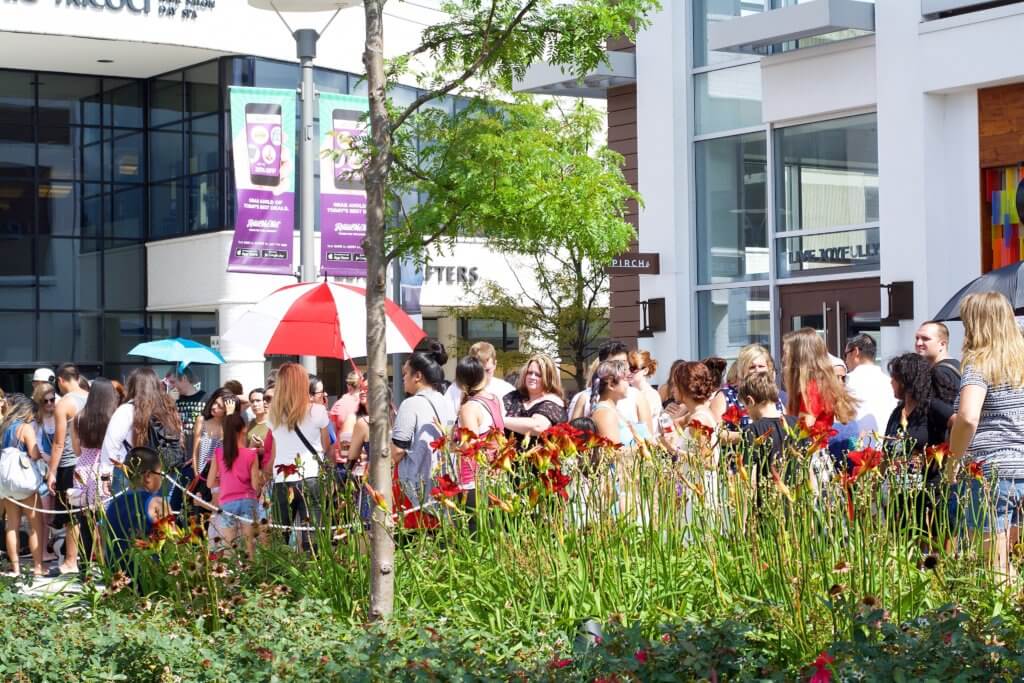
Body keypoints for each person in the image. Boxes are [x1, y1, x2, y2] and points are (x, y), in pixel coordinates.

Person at [946, 292, 1024, 579]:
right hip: (1022, 469)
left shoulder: (980, 365)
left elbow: (968, 416)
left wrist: (952, 461)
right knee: (1014, 562)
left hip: (993, 473)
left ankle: (996, 623)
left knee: (994, 565)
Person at [884, 352, 954, 539]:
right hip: (900, 494)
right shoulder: (897, 412)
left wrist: (940, 455)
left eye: (895, 377)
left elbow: (958, 424)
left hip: (929, 492)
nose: (891, 382)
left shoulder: (932, 407)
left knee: (929, 546)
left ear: (907, 380)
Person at [267, 363, 329, 547]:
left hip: (282, 478)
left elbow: (276, 448)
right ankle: (313, 572)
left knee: (281, 536)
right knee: (312, 535)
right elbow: (325, 445)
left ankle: (281, 574)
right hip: (310, 475)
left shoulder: (274, 414)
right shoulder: (317, 410)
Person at [392, 351, 455, 512]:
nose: (403, 378)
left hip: (414, 489)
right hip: (442, 483)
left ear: (418, 376)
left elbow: (398, 450)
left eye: (405, 373)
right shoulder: (445, 401)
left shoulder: (410, 404)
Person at [100, 368, 183, 491]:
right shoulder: (169, 408)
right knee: (159, 509)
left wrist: (105, 476)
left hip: (135, 473)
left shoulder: (127, 410)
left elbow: (110, 446)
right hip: (166, 472)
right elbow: (179, 437)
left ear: (132, 386)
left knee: (131, 508)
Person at [70, 377, 120, 573]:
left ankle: (84, 568)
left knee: (85, 520)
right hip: (106, 468)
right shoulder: (114, 417)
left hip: (83, 468)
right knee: (107, 520)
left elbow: (76, 449)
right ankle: (108, 566)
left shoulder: (79, 417)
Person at [101, 446, 169, 579]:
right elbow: (170, 541)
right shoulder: (157, 503)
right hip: (149, 578)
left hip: (118, 578)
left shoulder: (113, 504)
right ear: (148, 476)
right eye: (160, 474)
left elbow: (104, 539)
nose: (163, 479)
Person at [46, 363, 89, 569]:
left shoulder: (64, 403)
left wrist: (52, 472)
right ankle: (91, 559)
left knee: (71, 515)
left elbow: (59, 442)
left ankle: (71, 560)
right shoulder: (92, 398)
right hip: (91, 462)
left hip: (69, 463)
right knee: (89, 513)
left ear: (61, 380)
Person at [208, 402, 263, 559]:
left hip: (226, 504)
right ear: (243, 429)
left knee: (229, 548)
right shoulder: (251, 454)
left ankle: (231, 581)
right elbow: (254, 485)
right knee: (249, 547)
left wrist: (225, 482)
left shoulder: (219, 453)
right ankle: (252, 579)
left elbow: (210, 483)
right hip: (247, 500)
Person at [1, 395, 45, 576]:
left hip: (5, 482)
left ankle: (16, 568)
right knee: (35, 525)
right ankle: (38, 567)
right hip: (23, 483)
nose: (33, 417)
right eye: (32, 414)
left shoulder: (3, 427)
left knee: (12, 525)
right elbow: (34, 454)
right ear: (26, 411)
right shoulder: (25, 428)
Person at [454, 356, 505, 509]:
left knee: (475, 528)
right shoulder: (493, 399)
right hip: (495, 475)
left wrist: (452, 445)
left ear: (460, 381)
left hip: (474, 481)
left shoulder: (470, 407)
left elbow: (470, 447)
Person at [571, 341, 653, 435]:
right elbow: (573, 435)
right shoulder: (584, 397)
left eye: (624, 364)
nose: (622, 369)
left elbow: (649, 435)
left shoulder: (637, 396)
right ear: (603, 366)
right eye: (615, 365)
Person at [782, 328, 857, 429]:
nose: (784, 358)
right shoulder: (816, 384)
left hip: (810, 443)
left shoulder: (813, 387)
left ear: (800, 356)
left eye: (787, 353)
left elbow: (804, 427)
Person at [740, 371, 798, 472]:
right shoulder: (797, 424)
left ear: (750, 401)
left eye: (745, 407)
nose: (746, 412)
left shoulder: (752, 431)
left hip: (767, 487)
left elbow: (749, 478)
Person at [843, 334, 897, 438]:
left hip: (856, 447)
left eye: (846, 355)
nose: (845, 361)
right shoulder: (890, 382)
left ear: (855, 352)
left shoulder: (847, 383)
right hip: (887, 445)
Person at [503, 354, 568, 440]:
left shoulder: (553, 402)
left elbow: (537, 427)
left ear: (548, 378)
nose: (532, 377)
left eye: (538, 375)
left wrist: (501, 420)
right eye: (529, 373)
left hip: (540, 452)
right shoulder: (513, 397)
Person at [711, 344, 776, 428]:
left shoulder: (774, 394)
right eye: (752, 367)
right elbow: (716, 432)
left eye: (761, 366)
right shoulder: (726, 396)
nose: (757, 371)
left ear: (769, 368)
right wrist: (748, 435)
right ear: (742, 370)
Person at [445, 342, 515, 414]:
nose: (483, 376)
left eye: (487, 370)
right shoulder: (455, 389)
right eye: (479, 371)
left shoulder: (506, 390)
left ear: (495, 364)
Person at [30, 383, 58, 564]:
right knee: (44, 511)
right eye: (45, 401)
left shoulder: (59, 416)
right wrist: (48, 459)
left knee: (53, 511)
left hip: (56, 469)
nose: (49, 404)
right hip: (41, 471)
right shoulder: (35, 422)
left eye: (52, 400)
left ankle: (46, 546)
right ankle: (42, 550)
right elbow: (35, 447)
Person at [190, 388, 232, 503]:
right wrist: (197, 476)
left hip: (220, 480)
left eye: (220, 407)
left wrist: (230, 415)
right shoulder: (202, 420)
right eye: (214, 403)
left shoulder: (228, 427)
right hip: (201, 476)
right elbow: (195, 452)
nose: (214, 407)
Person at [590, 360, 635, 447]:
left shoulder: (613, 410)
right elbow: (614, 453)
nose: (629, 383)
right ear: (611, 384)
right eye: (625, 379)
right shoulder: (605, 414)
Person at [915, 320, 961, 405]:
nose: (918, 343)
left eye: (925, 339)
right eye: (917, 338)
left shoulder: (941, 372)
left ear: (942, 344)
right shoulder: (957, 365)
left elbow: (946, 413)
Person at [173, 367, 206, 458]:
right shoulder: (175, 401)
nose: (174, 386)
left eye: (175, 382)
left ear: (184, 378)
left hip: (199, 455)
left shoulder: (206, 398)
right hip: (179, 456)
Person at [628, 350, 663, 424]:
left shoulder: (650, 395)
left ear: (645, 371)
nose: (628, 372)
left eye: (633, 369)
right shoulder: (629, 393)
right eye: (626, 368)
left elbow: (641, 423)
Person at [329, 372, 362, 443]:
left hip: (342, 448)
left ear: (348, 385)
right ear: (360, 384)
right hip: (362, 449)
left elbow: (332, 434)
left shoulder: (338, 405)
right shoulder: (366, 404)